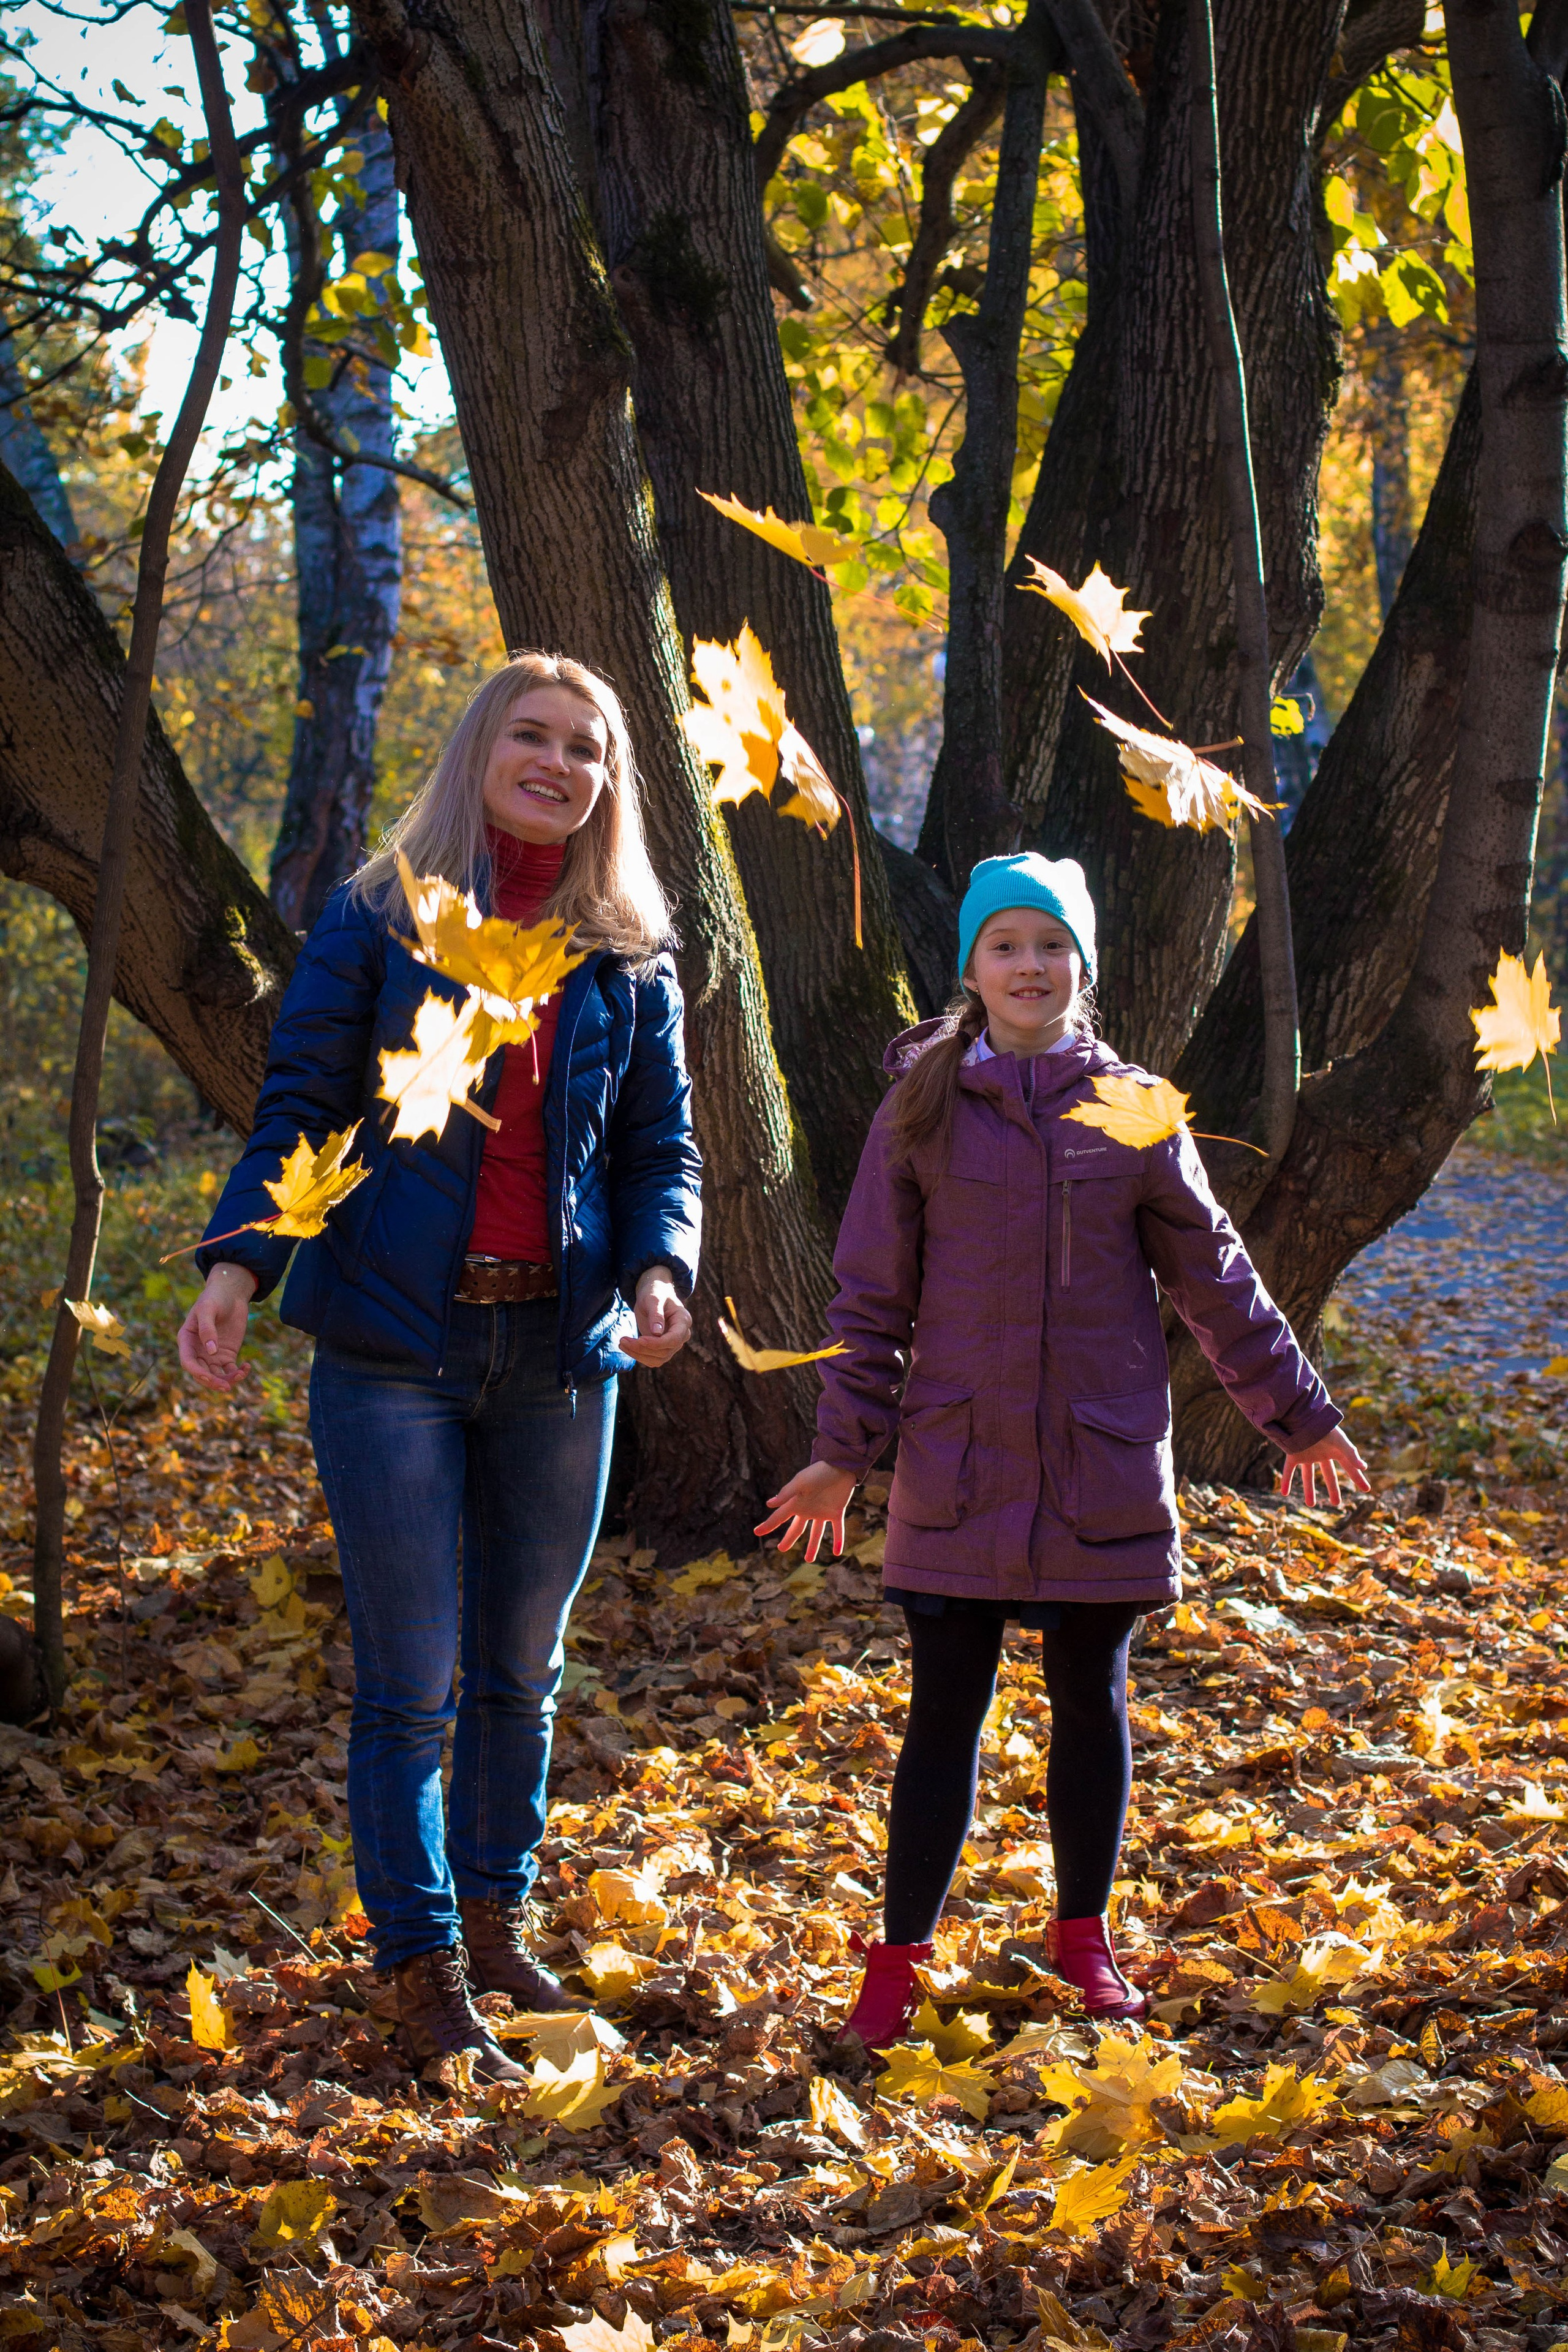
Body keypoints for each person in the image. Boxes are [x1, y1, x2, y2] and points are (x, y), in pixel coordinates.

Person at [178, 652, 701, 2082]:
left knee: (518, 1677)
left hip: (558, 1354)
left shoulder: (628, 953)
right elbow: (297, 1101)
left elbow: (665, 1152)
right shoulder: (380, 920)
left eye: (584, 748)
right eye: (528, 736)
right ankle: (413, 1965)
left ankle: (492, 1925)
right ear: (477, 751)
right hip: (391, 1352)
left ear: (609, 783)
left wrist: (661, 1267)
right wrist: (238, 1260)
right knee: (410, 1680)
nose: (555, 763)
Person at [756, 852, 1367, 2043]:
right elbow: (870, 1298)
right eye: (1004, 946)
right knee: (944, 1711)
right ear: (971, 968)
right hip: (959, 1464)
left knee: (1090, 1697)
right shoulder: (922, 1104)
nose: (1027, 966)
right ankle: (897, 1957)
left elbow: (1216, 1282)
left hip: (1096, 1464)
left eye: (1049, 947)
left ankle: (1080, 1936)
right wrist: (843, 1450)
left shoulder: (1134, 1109)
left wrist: (1297, 1414)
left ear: (1079, 967)